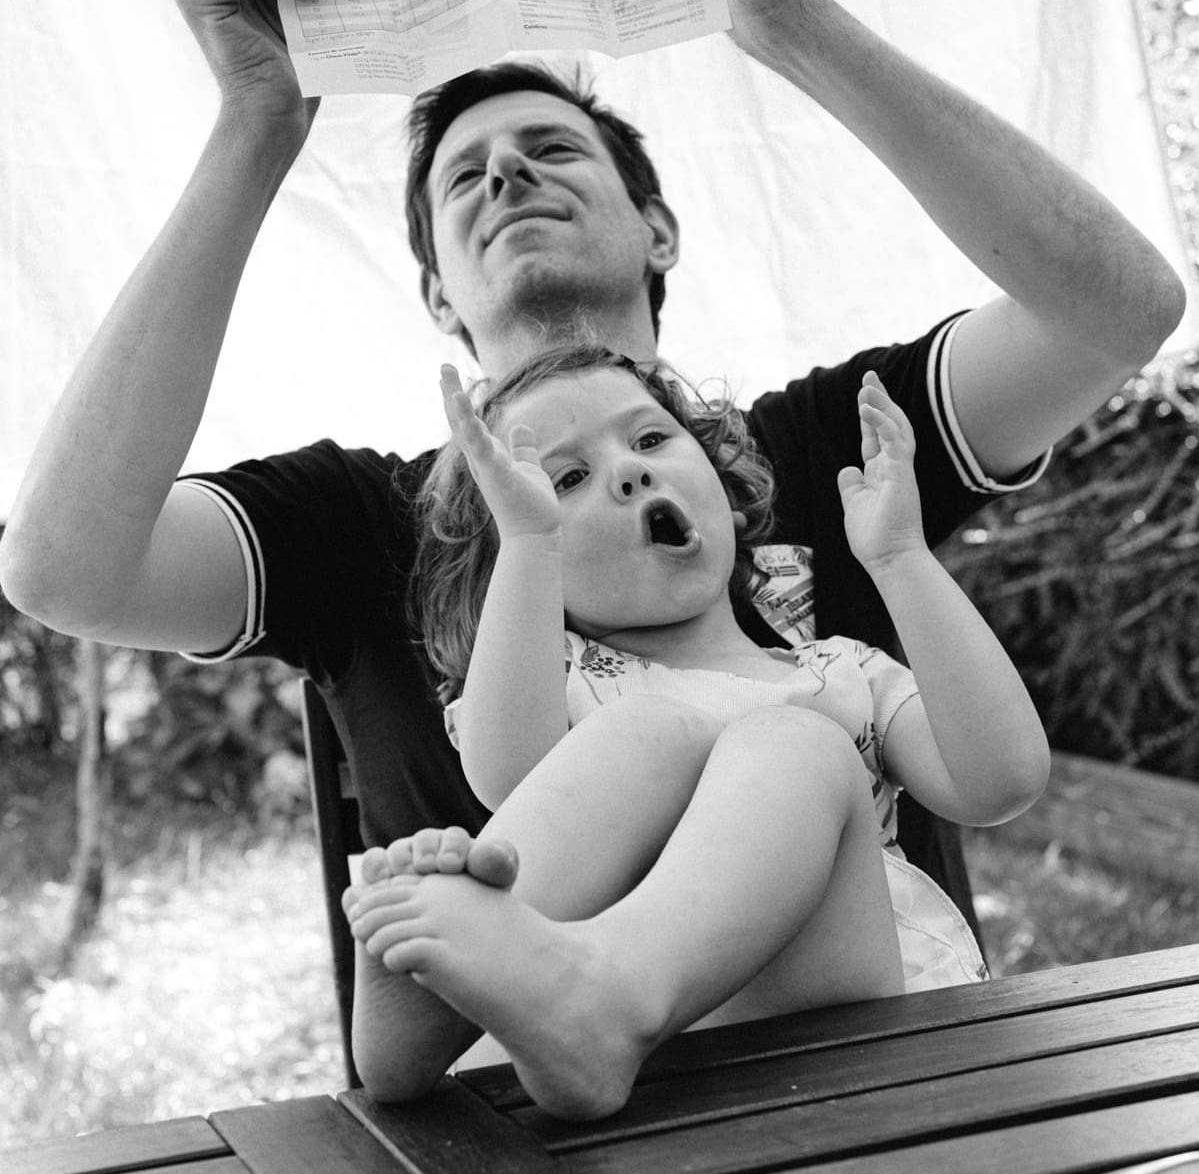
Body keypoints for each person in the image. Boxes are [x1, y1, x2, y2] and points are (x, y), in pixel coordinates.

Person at [0, 0, 1183, 926]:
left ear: (656, 228)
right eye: (466, 176)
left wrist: (791, 21)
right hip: (517, 1119)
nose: (507, 174)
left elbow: (1116, 309)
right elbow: (61, 570)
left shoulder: (818, 452)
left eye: (553, 150)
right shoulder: (362, 516)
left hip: (873, 1073)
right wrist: (254, 127)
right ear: (435, 294)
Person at [340, 345, 1050, 1118]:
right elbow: (509, 775)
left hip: (858, 1030)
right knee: (645, 734)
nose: (630, 472)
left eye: (649, 440)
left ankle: (611, 995)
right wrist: (529, 543)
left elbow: (1000, 779)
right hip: (663, 1061)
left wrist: (901, 557)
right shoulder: (558, 684)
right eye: (565, 479)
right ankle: (431, 1021)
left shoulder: (836, 674)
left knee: (794, 744)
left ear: (725, 486)